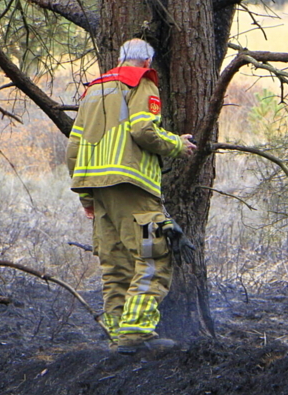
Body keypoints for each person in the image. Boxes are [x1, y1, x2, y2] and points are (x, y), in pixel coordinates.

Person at [67, 39, 197, 353]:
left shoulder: (93, 90)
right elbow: (143, 131)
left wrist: (87, 196)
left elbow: (72, 150)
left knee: (116, 263)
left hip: (97, 190)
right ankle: (136, 333)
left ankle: (117, 335)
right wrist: (178, 145)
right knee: (154, 253)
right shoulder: (141, 83)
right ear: (148, 63)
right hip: (131, 185)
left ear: (121, 58)